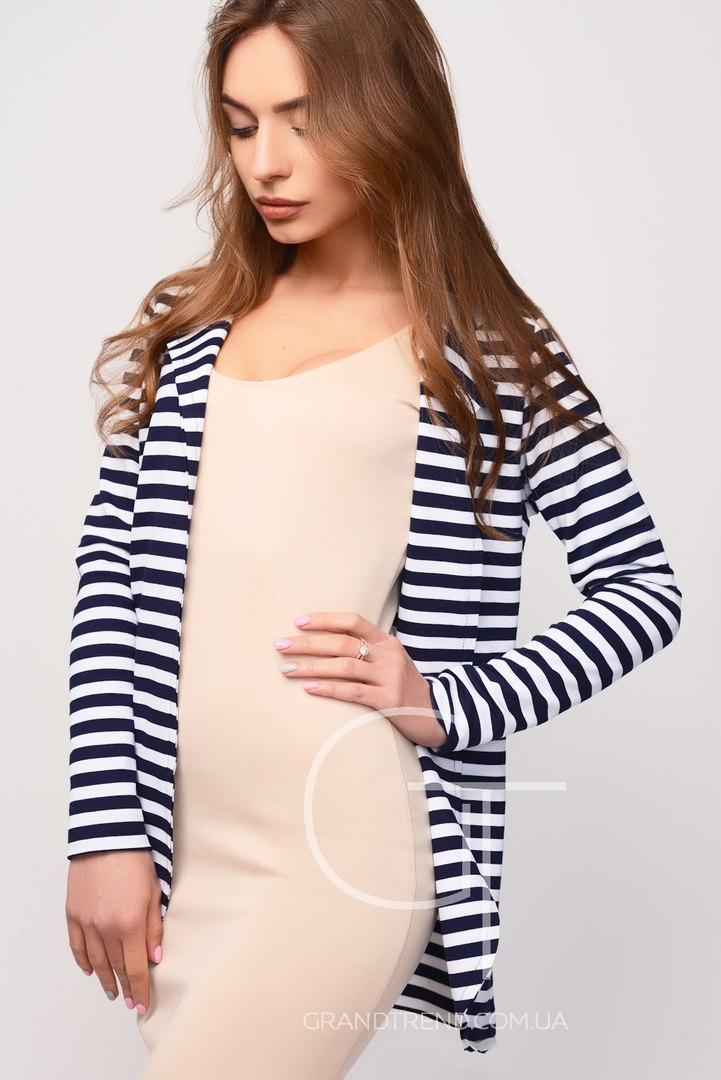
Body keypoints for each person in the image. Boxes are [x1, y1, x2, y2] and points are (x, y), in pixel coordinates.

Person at [64, 2, 683, 1077]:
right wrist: (103, 827)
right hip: (178, 854)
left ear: (388, 112)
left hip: (337, 846)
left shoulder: (485, 346)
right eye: (242, 124)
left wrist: (448, 699)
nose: (266, 161)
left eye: (303, 121)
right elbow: (108, 592)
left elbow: (641, 589)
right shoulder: (192, 337)